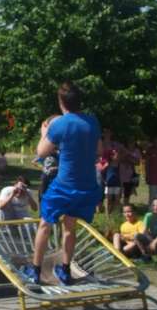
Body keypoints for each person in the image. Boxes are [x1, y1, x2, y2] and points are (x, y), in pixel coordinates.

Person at [20, 82, 102, 286]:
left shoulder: (59, 124)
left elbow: (41, 152)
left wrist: (44, 133)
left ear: (61, 102)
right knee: (70, 227)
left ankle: (35, 271)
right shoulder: (92, 122)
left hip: (64, 187)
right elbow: (99, 150)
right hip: (87, 187)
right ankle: (65, 271)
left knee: (45, 224)